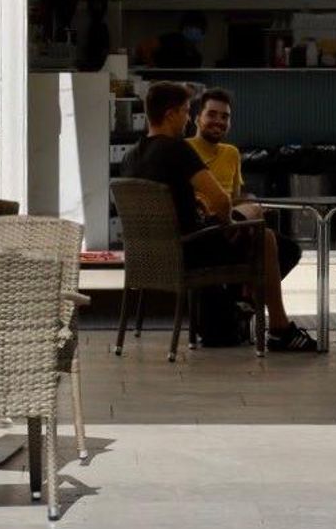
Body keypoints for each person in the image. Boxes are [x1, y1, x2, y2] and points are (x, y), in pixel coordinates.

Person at [123, 81, 316, 351]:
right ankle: (279, 329)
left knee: (255, 222)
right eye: (186, 111)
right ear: (170, 114)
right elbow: (221, 199)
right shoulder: (177, 149)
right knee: (265, 235)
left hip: (156, 252)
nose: (187, 118)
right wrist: (229, 224)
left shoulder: (132, 156)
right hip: (192, 247)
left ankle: (246, 311)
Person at [186, 88, 302, 278]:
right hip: (203, 228)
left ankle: (247, 298)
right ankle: (244, 299)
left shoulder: (231, 153)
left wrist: (251, 204)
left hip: (232, 224)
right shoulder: (185, 149)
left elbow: (235, 198)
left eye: (225, 117)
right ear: (198, 118)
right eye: (212, 114)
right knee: (264, 243)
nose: (219, 121)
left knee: (290, 250)